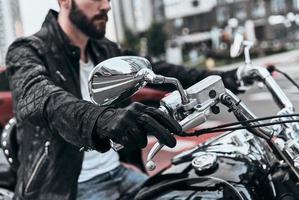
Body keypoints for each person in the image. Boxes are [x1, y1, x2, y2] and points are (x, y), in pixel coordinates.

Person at [5, 0, 240, 199]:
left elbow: (160, 70)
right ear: (65, 1)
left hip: (118, 171)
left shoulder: (104, 50)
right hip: (67, 187)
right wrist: (102, 119)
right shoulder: (28, 50)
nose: (107, 6)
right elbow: (40, 98)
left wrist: (231, 77)